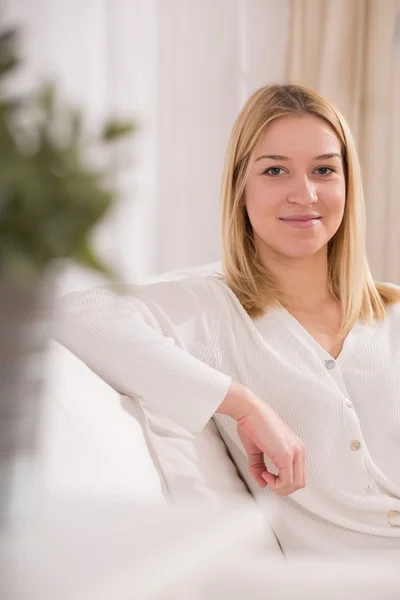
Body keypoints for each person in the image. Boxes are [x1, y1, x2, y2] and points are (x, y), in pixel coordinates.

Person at [55, 84, 400, 557]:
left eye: (324, 170)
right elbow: (75, 314)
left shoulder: (392, 316)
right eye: (276, 170)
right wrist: (244, 405)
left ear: (347, 185)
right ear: (240, 188)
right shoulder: (214, 311)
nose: (305, 193)